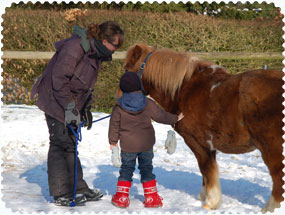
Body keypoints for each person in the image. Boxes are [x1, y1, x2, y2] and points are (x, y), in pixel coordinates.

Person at [31, 21, 124, 206]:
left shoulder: (96, 54)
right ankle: (61, 192)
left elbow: (85, 85)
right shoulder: (76, 48)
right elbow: (59, 79)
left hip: (69, 102)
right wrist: (70, 107)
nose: (116, 49)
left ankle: (78, 188)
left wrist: (85, 108)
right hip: (54, 99)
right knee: (59, 143)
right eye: (115, 45)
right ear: (104, 40)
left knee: (71, 144)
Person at [108, 71, 184, 208]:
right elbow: (160, 116)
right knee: (147, 169)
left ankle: (121, 198)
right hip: (146, 144)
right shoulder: (147, 103)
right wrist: (175, 118)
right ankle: (152, 198)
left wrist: (113, 142)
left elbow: (114, 125)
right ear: (139, 86)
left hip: (128, 146)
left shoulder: (118, 106)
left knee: (126, 169)